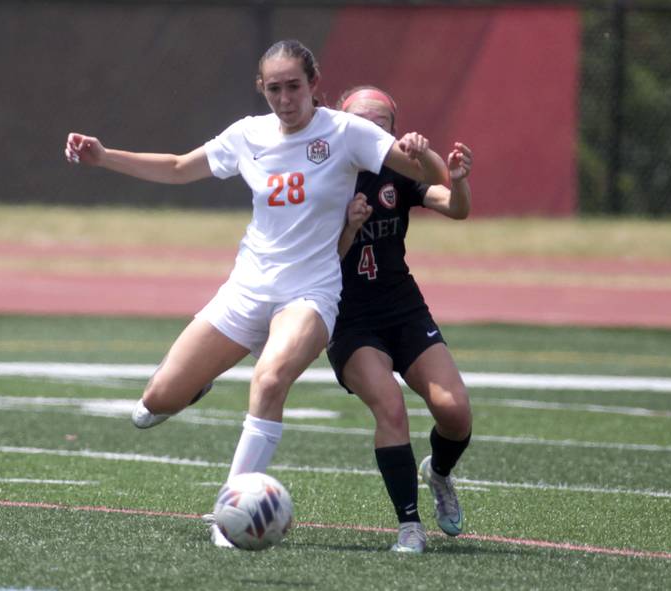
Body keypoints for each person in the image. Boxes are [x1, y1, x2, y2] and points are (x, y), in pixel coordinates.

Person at [63, 41, 450, 547]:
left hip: (310, 293)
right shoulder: (249, 134)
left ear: (314, 83)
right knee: (155, 402)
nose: (286, 99)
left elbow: (426, 172)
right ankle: (193, 384)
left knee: (269, 380)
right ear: (261, 89)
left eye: (295, 86)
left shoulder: (345, 130)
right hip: (246, 291)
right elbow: (180, 167)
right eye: (275, 89)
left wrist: (431, 157)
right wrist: (104, 157)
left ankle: (232, 512)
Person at [327, 86, 473, 553]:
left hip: (402, 307)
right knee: (390, 407)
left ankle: (439, 473)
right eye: (361, 122)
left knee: (454, 412)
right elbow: (321, 263)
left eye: (381, 123)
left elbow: (456, 207)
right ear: (340, 124)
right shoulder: (325, 176)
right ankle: (409, 525)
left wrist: (451, 171)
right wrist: (349, 225)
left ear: (393, 129)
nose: (372, 130)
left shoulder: (396, 169)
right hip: (349, 316)